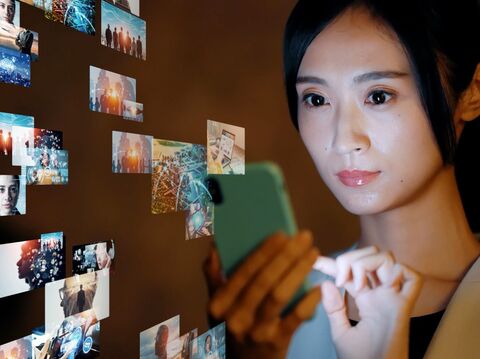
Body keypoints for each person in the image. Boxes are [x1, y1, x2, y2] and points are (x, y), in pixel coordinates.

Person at [203, 1, 480, 358]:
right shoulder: (275, 317)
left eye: (379, 96)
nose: (343, 139)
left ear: (471, 93)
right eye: (316, 99)